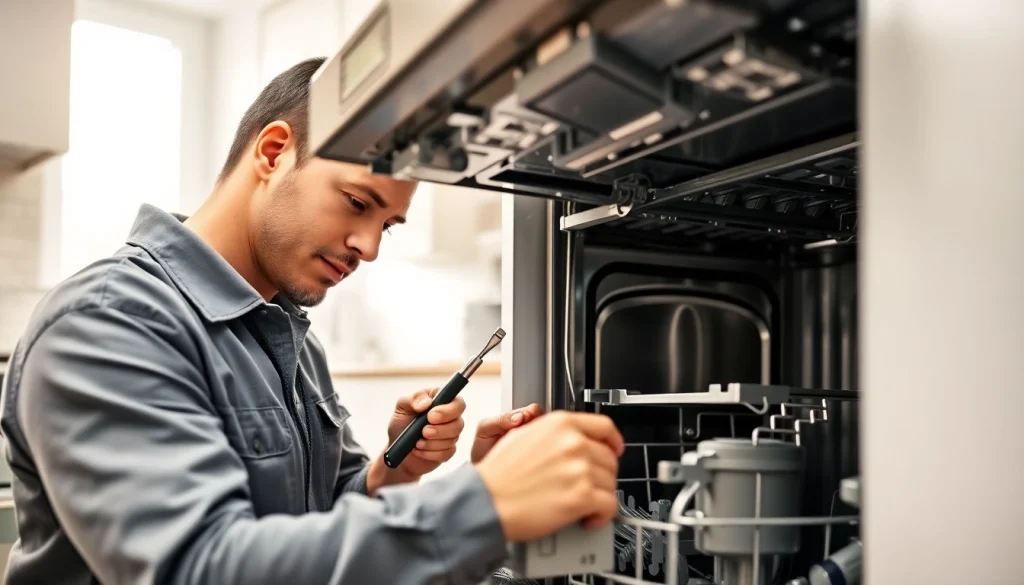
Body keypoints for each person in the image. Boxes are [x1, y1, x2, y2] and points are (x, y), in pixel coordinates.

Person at [0, 57, 624, 585]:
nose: (369, 247)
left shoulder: (289, 333)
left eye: (387, 225)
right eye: (357, 202)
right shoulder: (110, 322)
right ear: (274, 152)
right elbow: (199, 567)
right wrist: (485, 505)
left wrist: (397, 474)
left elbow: (319, 523)